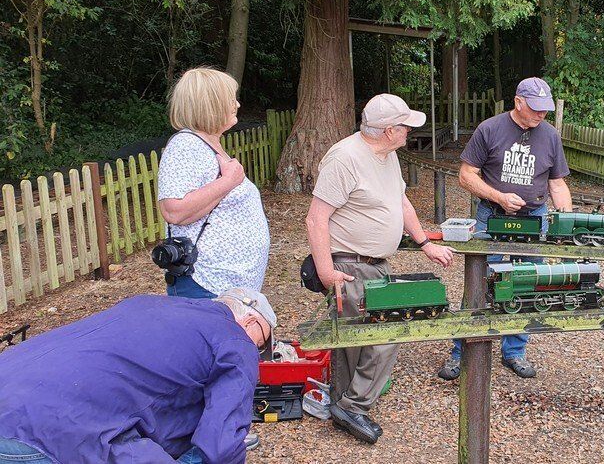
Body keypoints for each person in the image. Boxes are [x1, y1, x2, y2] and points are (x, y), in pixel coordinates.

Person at [305, 93, 455, 444]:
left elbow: (400, 201)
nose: (410, 131)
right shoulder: (344, 158)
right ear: (389, 130)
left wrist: (425, 243)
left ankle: (342, 403)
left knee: (356, 340)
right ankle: (353, 406)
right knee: (385, 332)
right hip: (350, 264)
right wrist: (326, 273)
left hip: (375, 265)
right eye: (405, 126)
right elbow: (316, 219)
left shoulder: (388, 156)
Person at [0, 288, 276, 464]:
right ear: (250, 321)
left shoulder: (147, 303)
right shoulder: (236, 340)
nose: (258, 350)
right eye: (261, 341)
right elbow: (221, 446)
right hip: (47, 429)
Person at [438, 77, 572, 381]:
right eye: (535, 108)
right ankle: (461, 351)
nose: (541, 114)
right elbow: (466, 175)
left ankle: (514, 350)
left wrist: (566, 224)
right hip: (492, 216)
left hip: (535, 217)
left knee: (527, 284)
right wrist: (498, 196)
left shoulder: (550, 136)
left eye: (545, 109)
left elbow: (557, 184)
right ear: (518, 102)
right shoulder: (490, 129)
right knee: (480, 283)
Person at [157, 67, 270, 299]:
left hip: (226, 285)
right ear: (211, 105)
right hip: (205, 285)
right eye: (231, 99)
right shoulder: (185, 145)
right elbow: (173, 210)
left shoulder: (205, 145)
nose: (237, 104)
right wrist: (229, 181)